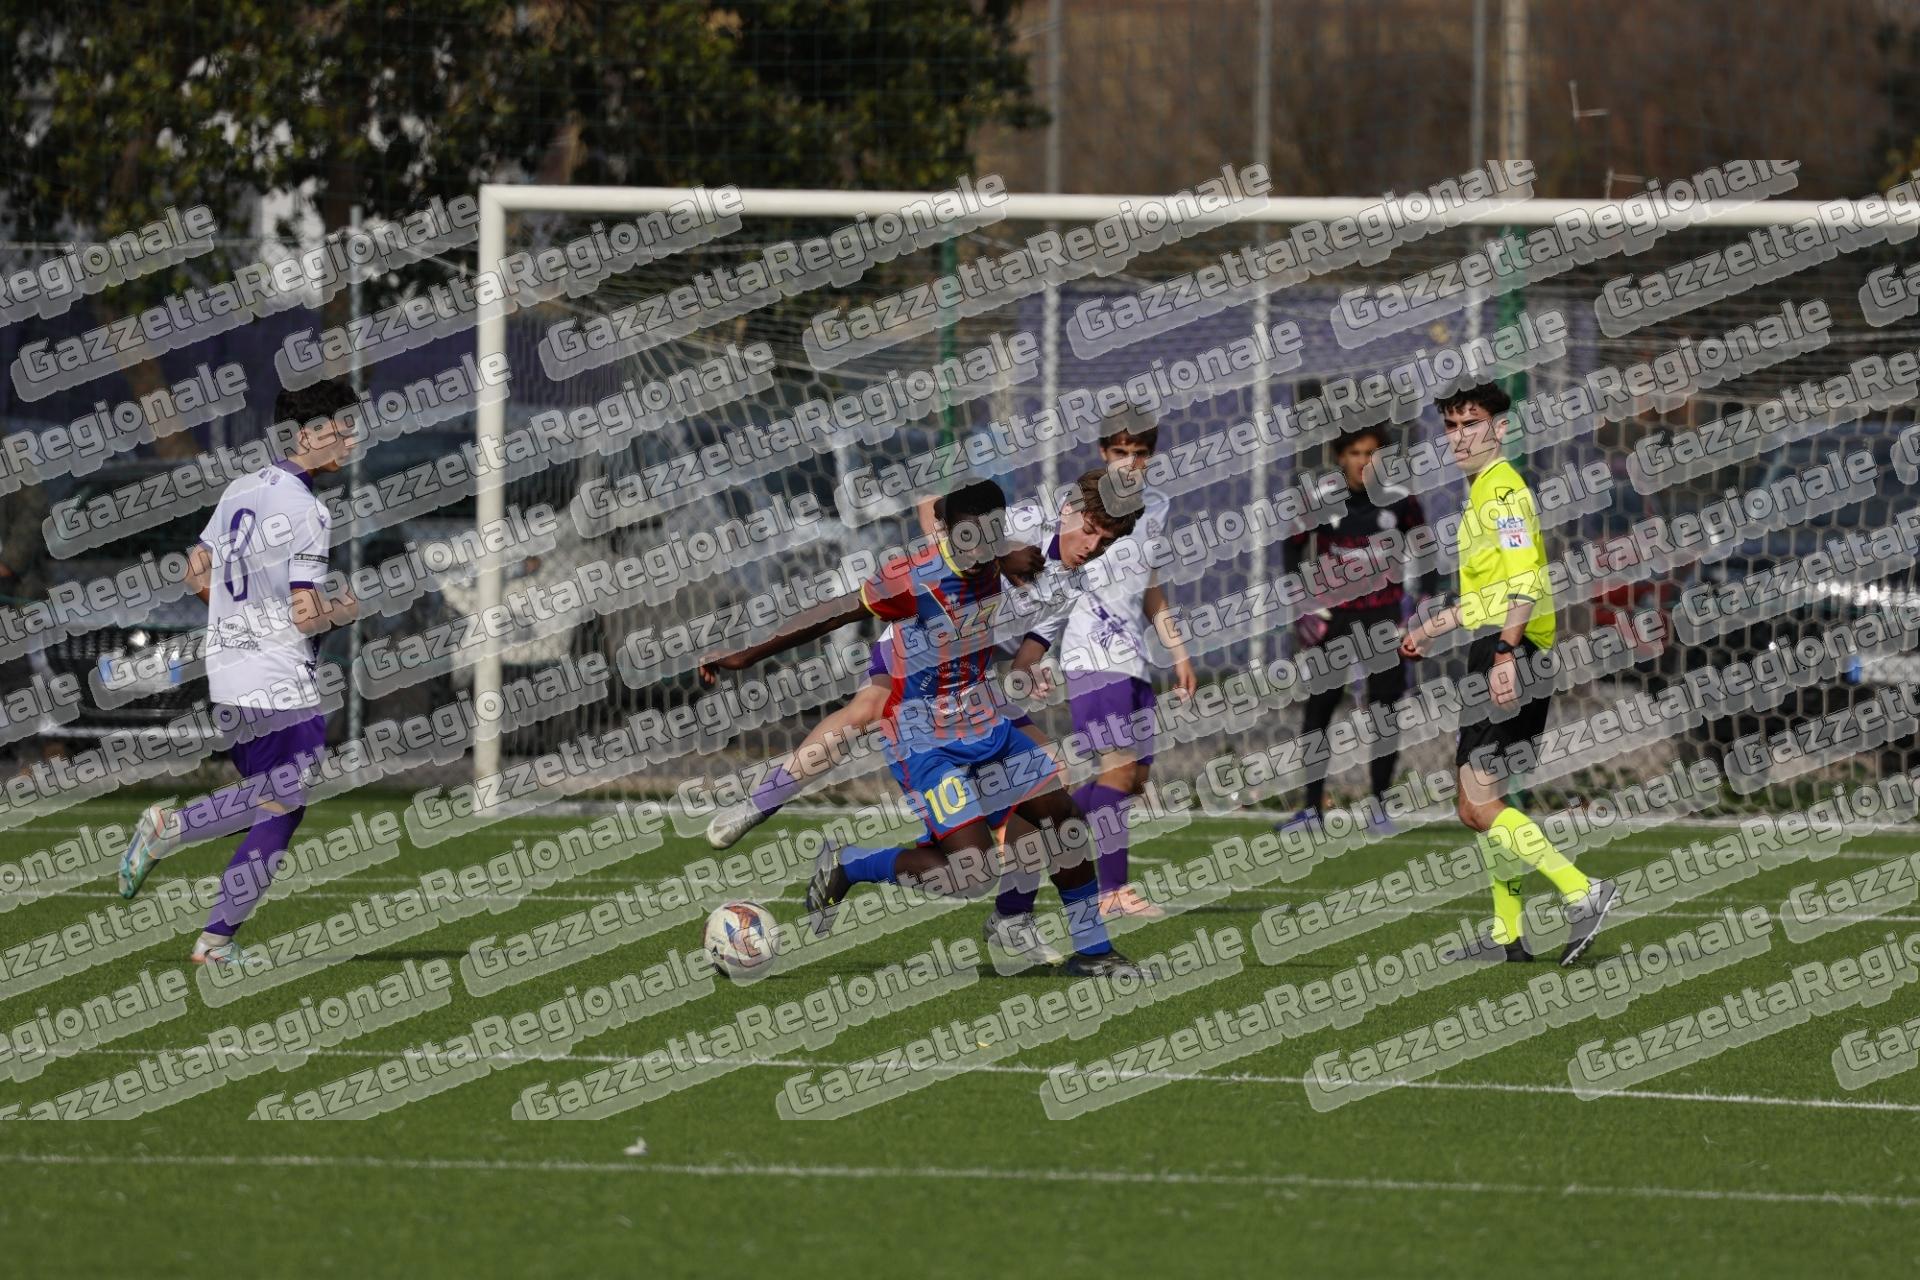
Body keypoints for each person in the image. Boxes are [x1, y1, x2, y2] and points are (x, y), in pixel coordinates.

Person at [698, 474, 1143, 977]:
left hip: (983, 715)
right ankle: (822, 844)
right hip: (924, 735)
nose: (1094, 545)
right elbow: (833, 613)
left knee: (1059, 812)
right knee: (968, 868)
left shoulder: (1024, 562)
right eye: (1092, 531)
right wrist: (744, 655)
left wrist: (1008, 572)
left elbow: (1017, 625)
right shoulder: (920, 577)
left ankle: (1087, 949)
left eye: (1107, 540)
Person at [117, 379, 360, 965]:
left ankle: (214, 943)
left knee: (276, 803)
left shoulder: (239, 490)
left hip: (230, 676)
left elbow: (197, 575)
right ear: (309, 435)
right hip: (279, 679)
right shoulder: (308, 510)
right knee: (282, 800)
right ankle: (174, 833)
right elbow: (305, 615)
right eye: (343, 429)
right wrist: (345, 610)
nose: (351, 441)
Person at [1398, 384, 1616, 965]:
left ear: (1499, 428)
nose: (1459, 437)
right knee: (1475, 805)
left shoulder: (1503, 491)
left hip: (1513, 651)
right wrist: (1437, 624)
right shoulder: (1482, 491)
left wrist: (1504, 655)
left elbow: (1525, 582)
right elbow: (1493, 590)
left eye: (1471, 424)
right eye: (1451, 426)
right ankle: (1506, 936)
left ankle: (1583, 890)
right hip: (1498, 645)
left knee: (1478, 801)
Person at [1004, 405, 1194, 922]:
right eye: (1119, 452)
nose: (1129, 463)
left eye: (1139, 453)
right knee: (1118, 769)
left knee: (1133, 780)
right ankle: (1112, 890)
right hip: (1091, 651)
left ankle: (1031, 829)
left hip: (1134, 657)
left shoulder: (1156, 507)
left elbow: (1148, 583)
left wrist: (1177, 650)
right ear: (1102, 453)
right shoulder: (1077, 506)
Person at [1278, 423, 1440, 834]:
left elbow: (1428, 555)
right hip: (1335, 619)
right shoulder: (1320, 499)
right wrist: (1302, 603)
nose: (1363, 462)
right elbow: (1291, 546)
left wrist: (1423, 608)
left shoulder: (1401, 501)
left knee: (1385, 711)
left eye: (1371, 454)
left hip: (1384, 618)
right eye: (1354, 453)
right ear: (1340, 457)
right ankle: (1312, 810)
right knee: (1319, 709)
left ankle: (1380, 807)